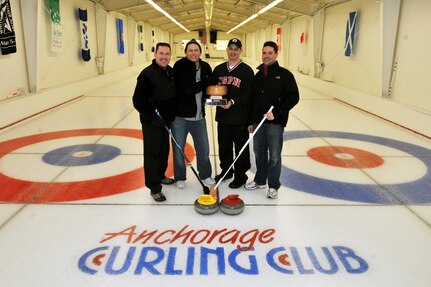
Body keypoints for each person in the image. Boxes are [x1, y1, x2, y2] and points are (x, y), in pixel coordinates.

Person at [245, 41, 299, 199]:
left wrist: (277, 112)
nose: (266, 56)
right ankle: (260, 180)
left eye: (269, 53)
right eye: (264, 53)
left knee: (274, 155)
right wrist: (250, 121)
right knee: (259, 152)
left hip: (275, 123)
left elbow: (294, 97)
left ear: (276, 54)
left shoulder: (284, 75)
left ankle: (273, 185)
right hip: (258, 122)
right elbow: (252, 100)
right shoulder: (258, 75)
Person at [132, 42, 176, 202]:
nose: (164, 57)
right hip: (152, 123)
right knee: (152, 154)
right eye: (161, 54)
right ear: (155, 55)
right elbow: (138, 101)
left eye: (167, 54)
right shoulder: (147, 75)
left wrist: (170, 117)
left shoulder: (170, 72)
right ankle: (154, 187)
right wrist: (153, 118)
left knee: (164, 151)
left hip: (166, 122)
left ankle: (161, 175)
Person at [171, 39, 215, 189]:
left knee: (203, 149)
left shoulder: (206, 66)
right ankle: (180, 177)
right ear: (186, 52)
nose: (193, 53)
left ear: (200, 52)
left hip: (199, 118)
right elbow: (187, 89)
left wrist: (210, 97)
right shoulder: (179, 66)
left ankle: (205, 175)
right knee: (178, 150)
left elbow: (211, 87)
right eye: (190, 50)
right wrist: (205, 81)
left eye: (196, 50)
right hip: (180, 118)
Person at [212, 38, 254, 188]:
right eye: (230, 48)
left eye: (236, 49)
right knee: (224, 146)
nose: (233, 52)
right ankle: (227, 170)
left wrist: (232, 102)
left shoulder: (247, 71)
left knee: (240, 147)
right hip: (223, 117)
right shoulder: (218, 70)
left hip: (240, 118)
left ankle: (241, 175)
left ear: (240, 51)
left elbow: (248, 95)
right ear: (227, 50)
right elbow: (213, 90)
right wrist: (215, 99)